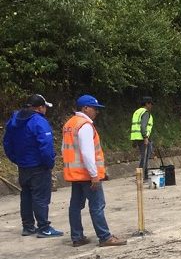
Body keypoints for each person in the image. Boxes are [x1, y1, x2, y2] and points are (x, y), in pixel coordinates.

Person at [62, 95, 126, 247]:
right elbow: (87, 153)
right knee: (97, 205)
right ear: (85, 108)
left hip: (75, 174)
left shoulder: (69, 124)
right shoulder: (84, 126)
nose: (96, 111)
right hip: (86, 174)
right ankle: (104, 237)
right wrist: (94, 175)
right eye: (94, 108)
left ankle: (77, 237)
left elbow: (64, 149)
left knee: (75, 206)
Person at [3, 94, 63, 238]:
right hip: (39, 165)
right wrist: (49, 163)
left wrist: (16, 160)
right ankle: (44, 227)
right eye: (45, 107)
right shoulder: (39, 122)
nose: (45, 110)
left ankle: (28, 226)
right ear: (40, 107)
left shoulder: (14, 120)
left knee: (26, 195)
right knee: (41, 197)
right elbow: (46, 145)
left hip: (23, 166)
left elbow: (7, 143)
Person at [130, 96, 154, 179]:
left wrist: (134, 141)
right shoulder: (145, 112)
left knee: (144, 157)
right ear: (147, 104)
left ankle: (145, 176)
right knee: (144, 158)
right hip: (143, 138)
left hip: (137, 138)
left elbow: (135, 126)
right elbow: (143, 126)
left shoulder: (137, 112)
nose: (151, 106)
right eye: (151, 104)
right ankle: (140, 177)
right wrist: (145, 137)